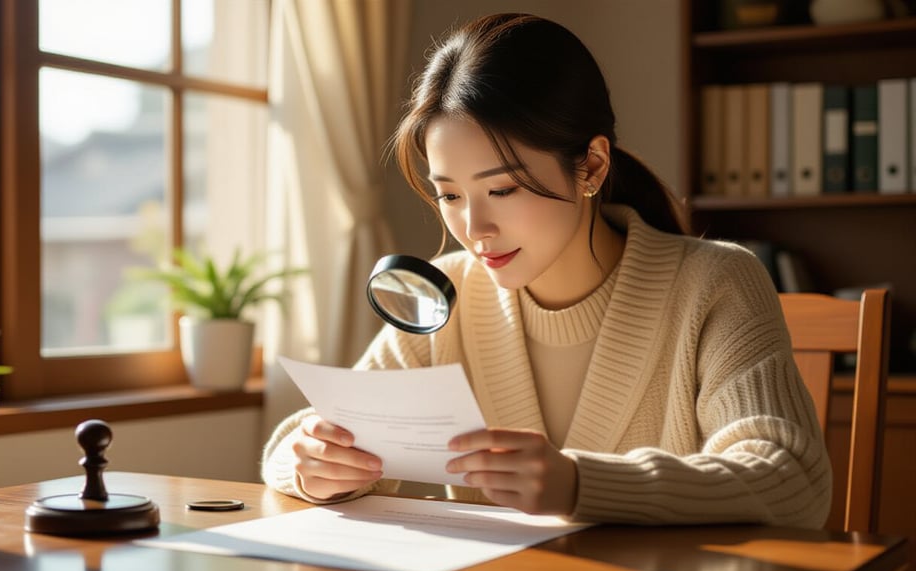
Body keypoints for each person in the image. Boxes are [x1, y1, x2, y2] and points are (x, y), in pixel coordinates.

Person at [262, 12, 831, 527]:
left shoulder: (716, 284)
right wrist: (312, 463)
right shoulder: (449, 292)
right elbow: (313, 436)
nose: (475, 229)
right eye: (450, 195)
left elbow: (792, 479)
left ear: (591, 166)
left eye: (502, 189)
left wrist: (581, 484)